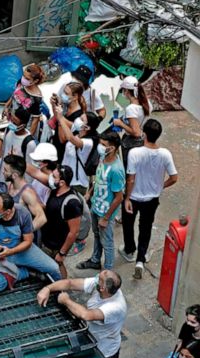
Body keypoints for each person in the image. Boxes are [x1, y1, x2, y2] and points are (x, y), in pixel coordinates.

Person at [122, 118, 177, 280]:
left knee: (128, 223)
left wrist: (127, 198)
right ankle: (140, 259)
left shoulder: (135, 153)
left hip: (134, 197)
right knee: (145, 227)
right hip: (152, 199)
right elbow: (174, 178)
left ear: (144, 134)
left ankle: (129, 249)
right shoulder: (165, 154)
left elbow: (131, 179)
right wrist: (160, 186)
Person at [0, 193, 60, 292]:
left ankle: (61, 292)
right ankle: (27, 272)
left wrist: (11, 251)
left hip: (20, 249)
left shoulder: (23, 214)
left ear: (8, 211)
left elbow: (28, 241)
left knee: (53, 268)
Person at [36, 271, 126, 358]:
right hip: (90, 337)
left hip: (104, 351)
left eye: (99, 279)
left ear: (103, 288)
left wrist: (66, 300)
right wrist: (47, 288)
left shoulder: (115, 307)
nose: (96, 278)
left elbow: (86, 315)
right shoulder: (101, 286)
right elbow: (70, 283)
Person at [78, 131, 124, 271]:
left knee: (107, 243)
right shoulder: (102, 159)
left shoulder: (116, 170)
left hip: (105, 213)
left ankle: (108, 271)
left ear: (113, 147)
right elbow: (98, 179)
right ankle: (95, 260)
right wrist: (90, 193)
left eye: (103, 145)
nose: (100, 147)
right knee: (97, 236)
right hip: (96, 206)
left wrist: (105, 218)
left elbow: (119, 197)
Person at [39, 164, 83, 279]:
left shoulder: (72, 203)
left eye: (53, 176)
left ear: (62, 182)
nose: (50, 178)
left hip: (57, 246)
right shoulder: (55, 191)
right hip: (47, 240)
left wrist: (62, 253)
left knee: (58, 265)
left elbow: (74, 232)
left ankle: (62, 289)